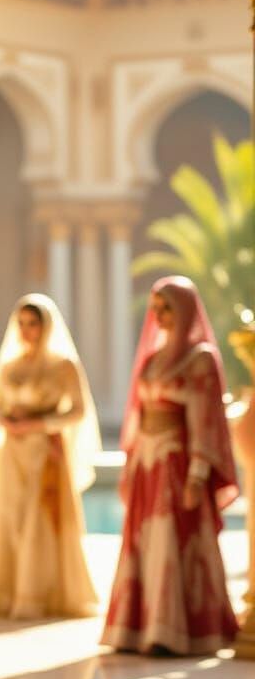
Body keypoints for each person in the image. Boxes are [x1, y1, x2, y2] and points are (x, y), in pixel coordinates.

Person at [101, 276, 240, 655]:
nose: (160, 316)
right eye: (156, 308)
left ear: (185, 310)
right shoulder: (151, 358)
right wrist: (130, 469)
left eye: (167, 308)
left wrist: (197, 474)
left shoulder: (200, 359)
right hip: (147, 463)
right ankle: (139, 627)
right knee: (144, 542)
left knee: (172, 541)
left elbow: (205, 420)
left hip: (177, 464)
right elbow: (139, 417)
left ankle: (174, 632)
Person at [0, 294, 100, 619]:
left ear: (45, 325)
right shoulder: (8, 365)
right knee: (12, 519)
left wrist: (39, 424)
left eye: (32, 323)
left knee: (40, 521)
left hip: (46, 454)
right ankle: (8, 594)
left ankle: (42, 595)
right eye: (21, 323)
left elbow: (79, 411)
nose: (26, 330)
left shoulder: (63, 365)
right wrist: (7, 422)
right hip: (13, 455)